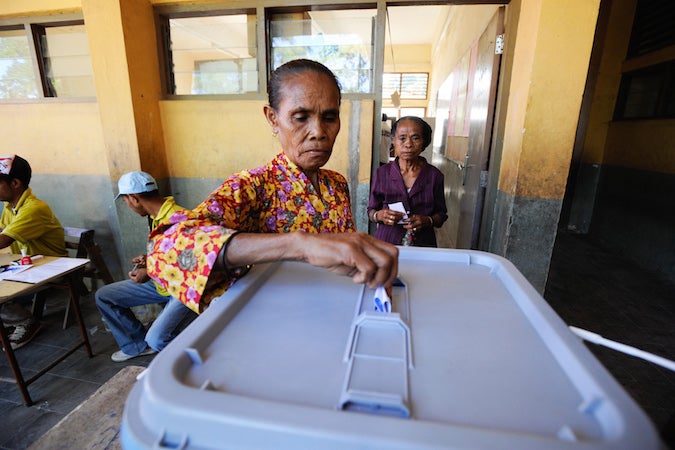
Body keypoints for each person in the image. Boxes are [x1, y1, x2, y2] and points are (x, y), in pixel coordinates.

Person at [146, 59, 399, 314]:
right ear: (273, 119)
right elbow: (164, 251)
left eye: (330, 117)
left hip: (337, 312)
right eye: (300, 117)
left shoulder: (336, 184)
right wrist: (299, 245)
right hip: (276, 323)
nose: (318, 132)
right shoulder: (252, 186)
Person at [95, 171, 196, 362]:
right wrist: (150, 259)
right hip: (162, 284)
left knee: (157, 339)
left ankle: (200, 362)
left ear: (133, 198)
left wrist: (150, 270)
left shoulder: (180, 219)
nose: (128, 205)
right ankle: (136, 346)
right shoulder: (155, 216)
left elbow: (193, 267)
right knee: (105, 296)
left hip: (182, 291)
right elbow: (173, 254)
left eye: (125, 201)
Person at [0, 154, 68, 349]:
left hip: (50, 268)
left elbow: (3, 240)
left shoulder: (34, 208)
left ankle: (25, 322)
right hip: (23, 265)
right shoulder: (10, 206)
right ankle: (11, 321)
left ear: (15, 183)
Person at [367, 116, 448, 247]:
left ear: (424, 142)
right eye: (402, 138)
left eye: (415, 138)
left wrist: (428, 220)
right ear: (393, 141)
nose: (408, 144)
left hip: (423, 245)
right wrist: (379, 215)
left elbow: (441, 215)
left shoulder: (435, 176)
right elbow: (371, 211)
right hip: (387, 243)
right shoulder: (382, 173)